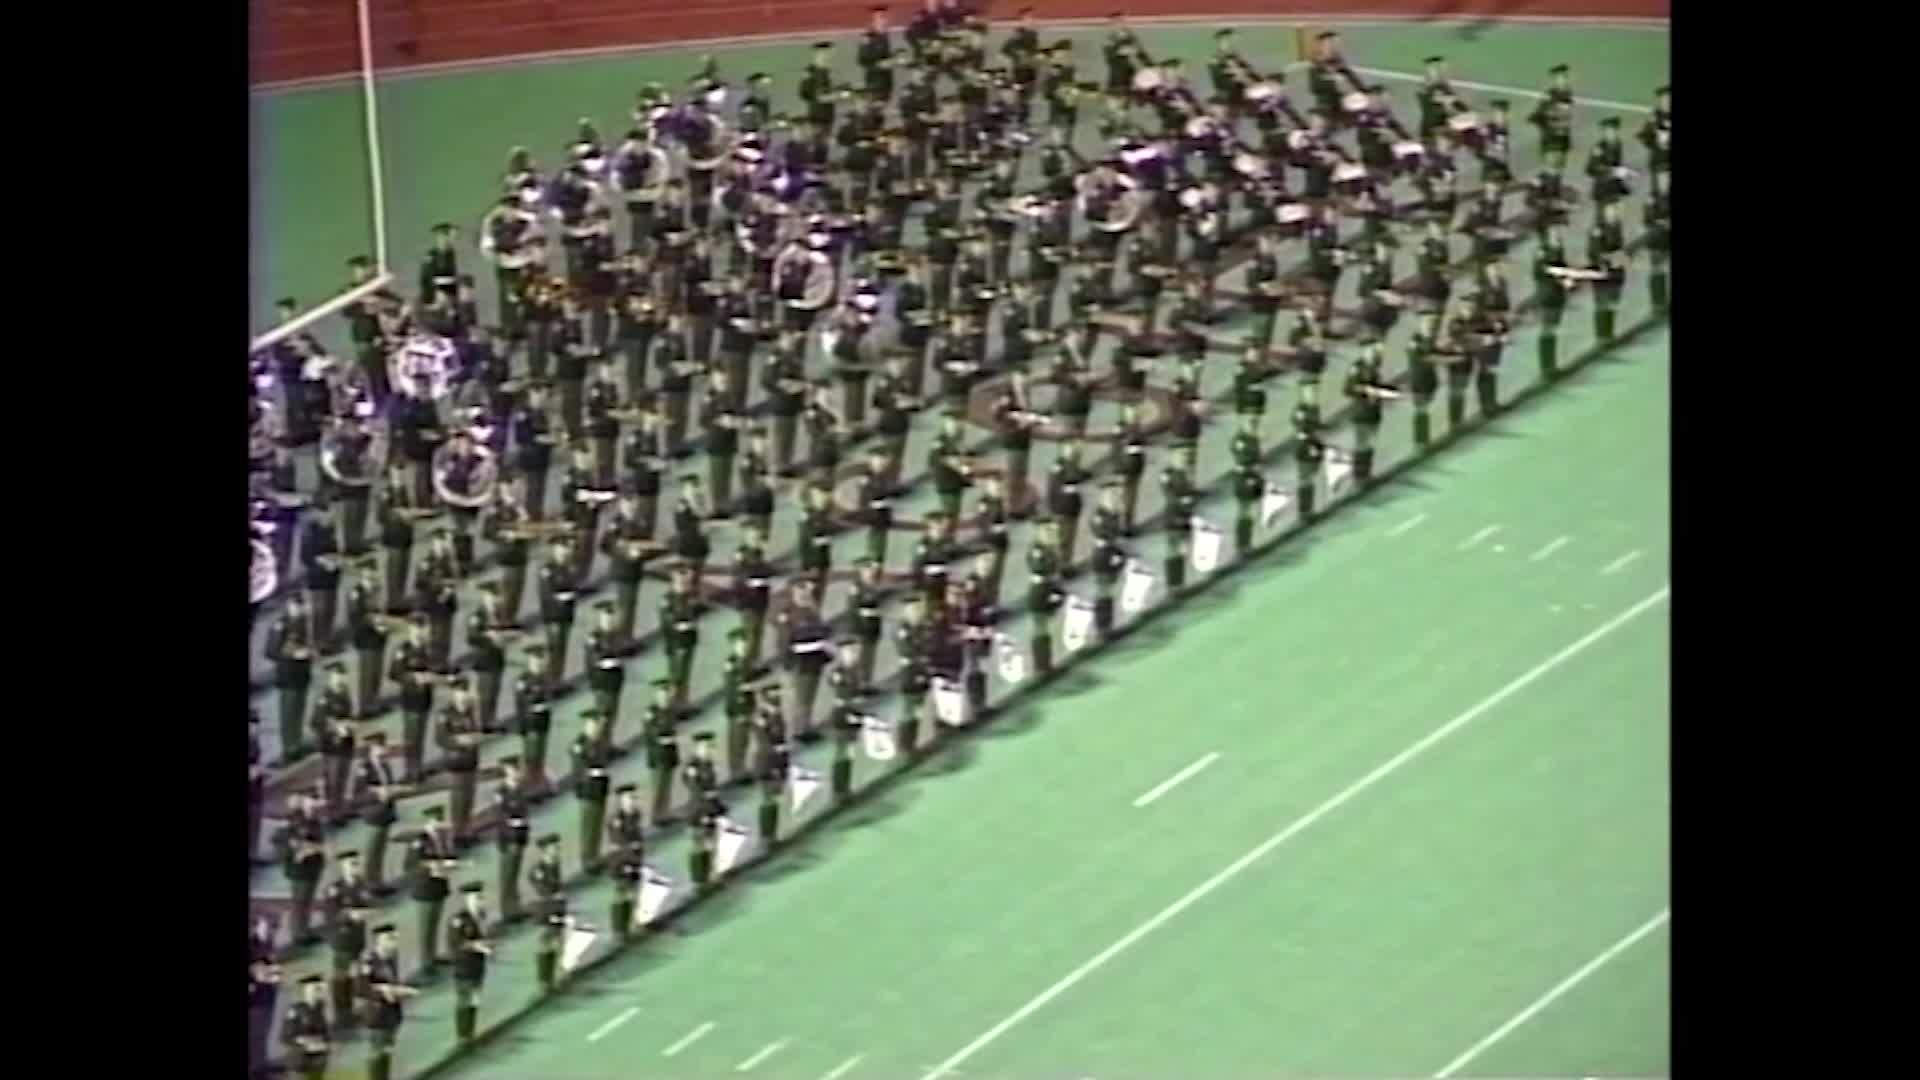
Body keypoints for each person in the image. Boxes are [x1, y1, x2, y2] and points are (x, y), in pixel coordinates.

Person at [322, 850, 372, 1032]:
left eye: (356, 864)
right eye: (351, 864)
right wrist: (349, 915)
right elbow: (330, 915)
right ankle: (341, 1015)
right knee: (341, 977)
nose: (355, 868)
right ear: (342, 867)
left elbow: (368, 904)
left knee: (352, 975)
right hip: (342, 938)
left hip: (357, 937)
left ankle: (349, 1011)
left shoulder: (360, 885)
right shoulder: (335, 890)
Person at [408, 805, 457, 977]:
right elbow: (411, 865)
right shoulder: (420, 841)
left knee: (435, 923)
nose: (439, 824)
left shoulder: (442, 838)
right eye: (436, 821)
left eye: (440, 820)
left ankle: (432, 956)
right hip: (425, 887)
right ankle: (425, 962)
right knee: (426, 927)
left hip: (439, 885)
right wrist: (432, 869)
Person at [362, 923, 415, 1080]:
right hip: (377, 1013)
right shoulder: (369, 962)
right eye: (390, 939)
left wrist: (399, 991)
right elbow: (361, 988)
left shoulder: (392, 958)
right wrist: (384, 990)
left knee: (387, 1050)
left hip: (392, 1012)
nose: (394, 943)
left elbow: (393, 980)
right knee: (378, 1052)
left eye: (395, 938)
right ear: (379, 940)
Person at [449, 882, 494, 1042]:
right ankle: (462, 1034)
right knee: (464, 999)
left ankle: (470, 1032)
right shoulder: (459, 920)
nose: (479, 901)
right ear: (467, 899)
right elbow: (456, 943)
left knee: (475, 999)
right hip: (463, 965)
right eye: (476, 898)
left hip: (478, 964)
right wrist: (478, 946)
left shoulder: (481, 917)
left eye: (480, 898)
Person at [608, 784, 648, 941]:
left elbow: (638, 836)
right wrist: (630, 860)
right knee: (622, 895)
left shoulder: (636, 814)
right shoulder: (616, 820)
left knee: (636, 892)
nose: (632, 801)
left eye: (634, 798)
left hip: (634, 858)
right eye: (629, 798)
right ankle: (619, 929)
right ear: (621, 801)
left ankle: (635, 923)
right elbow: (620, 844)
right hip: (621, 861)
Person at [530, 834, 567, 992]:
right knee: (547, 941)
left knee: (558, 940)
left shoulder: (555, 864)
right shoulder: (539, 870)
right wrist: (554, 896)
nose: (557, 850)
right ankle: (544, 978)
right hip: (546, 907)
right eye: (554, 847)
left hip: (557, 906)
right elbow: (542, 889)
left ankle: (554, 976)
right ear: (545, 850)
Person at [280, 975, 332, 1080]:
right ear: (306, 990)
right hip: (300, 1062)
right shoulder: (296, 1010)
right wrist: (305, 1041)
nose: (319, 992)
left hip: (318, 1062)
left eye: (320, 989)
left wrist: (324, 1043)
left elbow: (326, 1035)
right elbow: (285, 1036)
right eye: (316, 988)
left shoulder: (320, 1010)